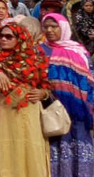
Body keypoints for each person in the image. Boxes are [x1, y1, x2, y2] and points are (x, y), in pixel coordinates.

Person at [0, 22, 51, 177]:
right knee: (5, 150)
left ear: (20, 38)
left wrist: (43, 93)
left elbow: (46, 85)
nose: (3, 39)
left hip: (29, 112)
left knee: (30, 150)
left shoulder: (35, 58)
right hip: (3, 113)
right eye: (0, 35)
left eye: (8, 36)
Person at [40, 13, 94, 177]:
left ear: (63, 27)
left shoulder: (78, 50)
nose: (49, 30)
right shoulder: (40, 50)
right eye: (46, 26)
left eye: (54, 26)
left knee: (78, 147)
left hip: (78, 111)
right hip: (51, 108)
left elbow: (90, 81)